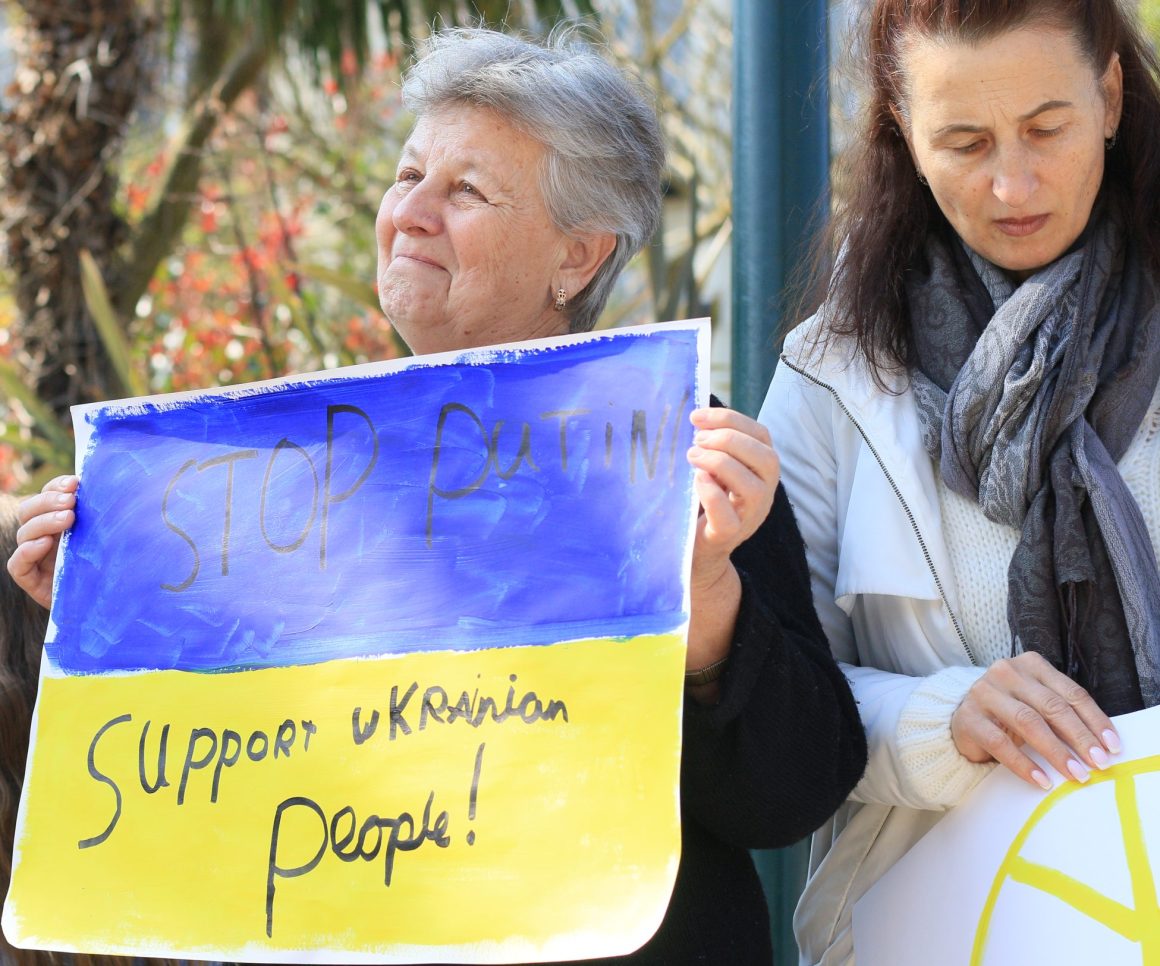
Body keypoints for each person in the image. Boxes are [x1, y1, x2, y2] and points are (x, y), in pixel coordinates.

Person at [8, 27, 867, 966]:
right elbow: (229, 775)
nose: (412, 213)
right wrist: (112, 609)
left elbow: (789, 796)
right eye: (408, 175)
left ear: (577, 256)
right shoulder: (292, 462)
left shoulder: (673, 453)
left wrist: (705, 595)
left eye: (466, 191)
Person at [759, 1, 1160, 962]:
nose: (1011, 182)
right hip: (938, 932)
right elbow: (780, 701)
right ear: (902, 128)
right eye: (965, 142)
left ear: (1108, 96)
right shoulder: (832, 377)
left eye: (1046, 129)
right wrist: (946, 718)